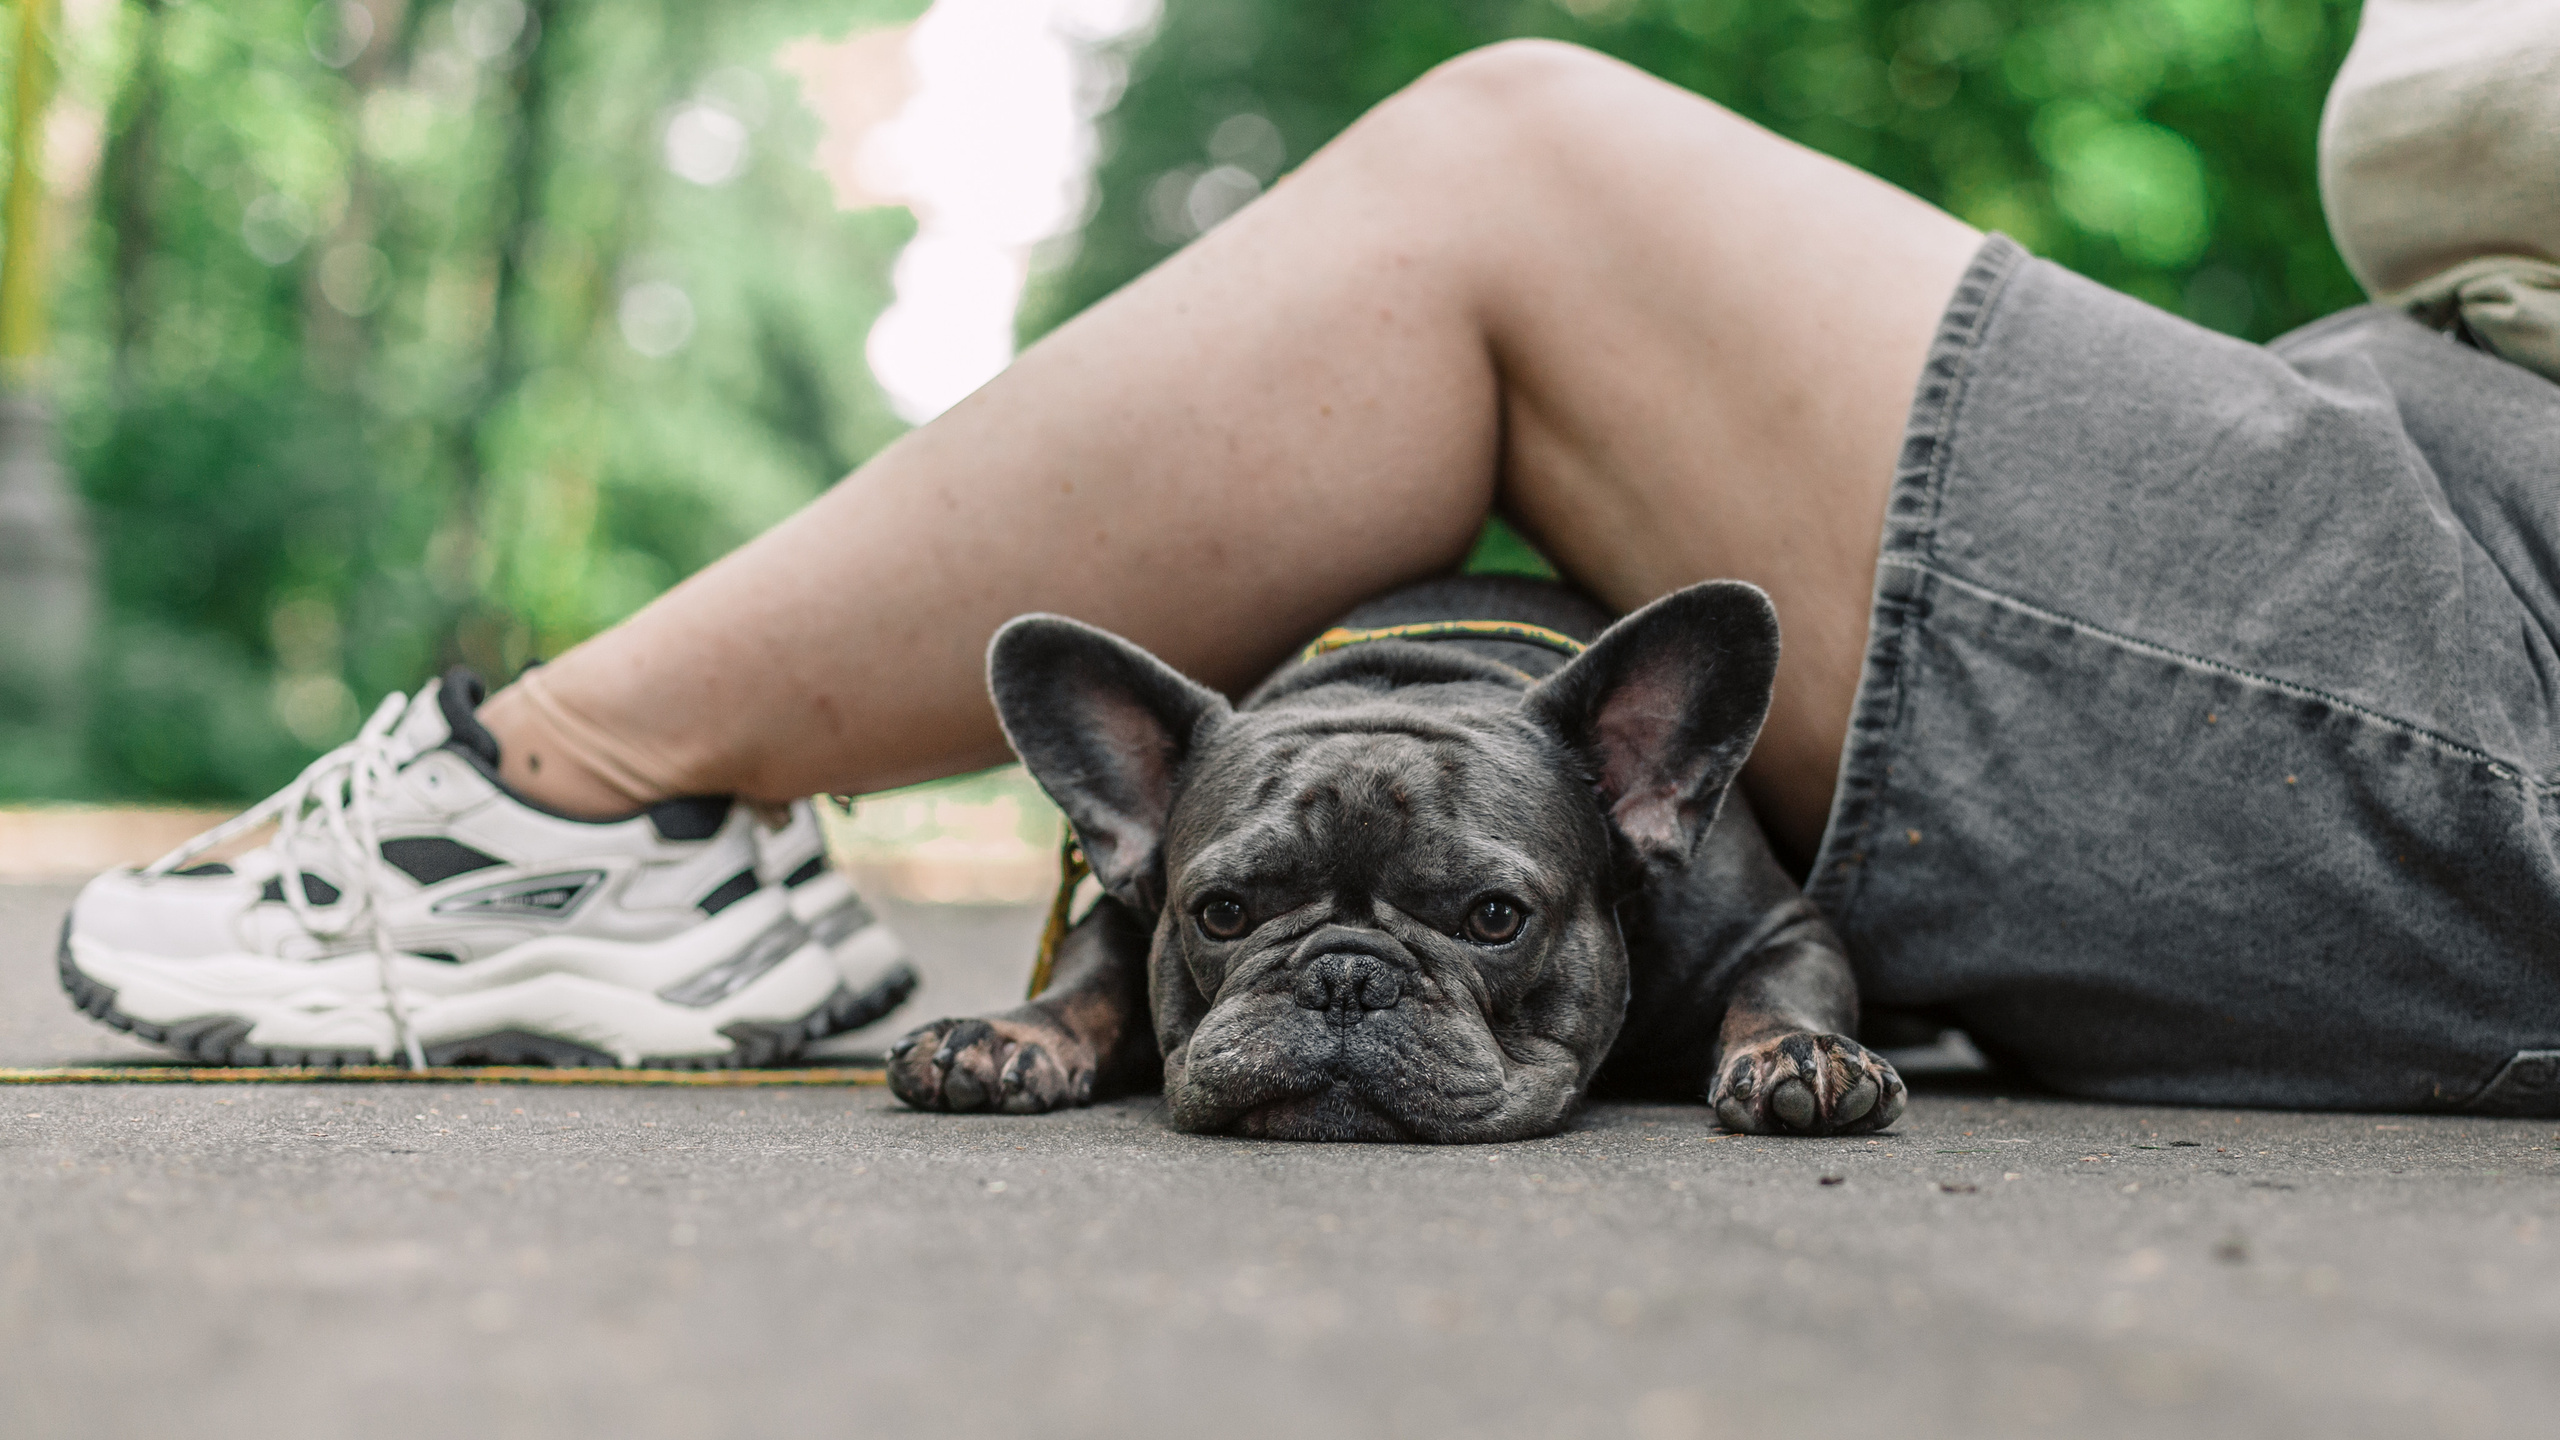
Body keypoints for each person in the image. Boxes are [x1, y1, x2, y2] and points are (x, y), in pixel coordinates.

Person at [58, 10, 2560, 1109]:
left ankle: (562, 794)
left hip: (2495, 583)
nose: (1348, 979)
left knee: (1523, 187)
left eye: (1461, 928)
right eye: (1241, 913)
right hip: (2407, 408)